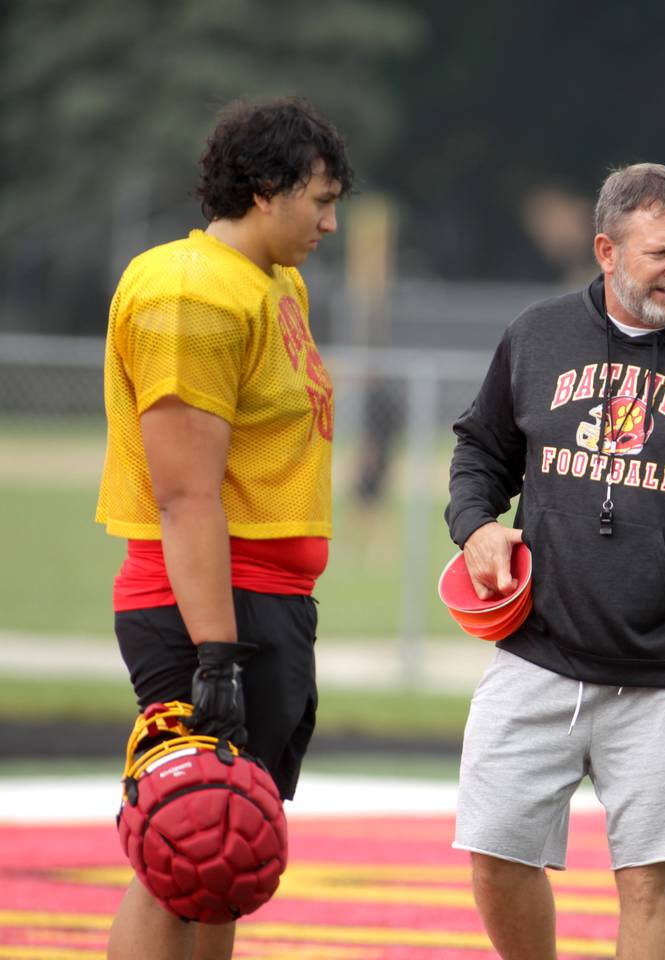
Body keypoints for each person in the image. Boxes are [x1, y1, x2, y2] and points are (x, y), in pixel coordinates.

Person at [445, 162, 665, 960]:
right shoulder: (539, 335)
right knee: (495, 853)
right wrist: (475, 527)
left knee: (649, 879)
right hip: (537, 650)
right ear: (606, 251)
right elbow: (480, 452)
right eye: (659, 254)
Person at [96, 97, 351, 960]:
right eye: (319, 198)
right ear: (267, 188)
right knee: (189, 838)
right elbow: (184, 496)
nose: (331, 219)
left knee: (229, 861)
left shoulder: (275, 282)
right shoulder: (189, 291)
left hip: (265, 601)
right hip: (207, 604)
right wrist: (216, 653)